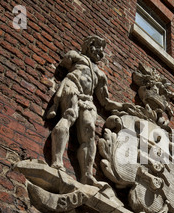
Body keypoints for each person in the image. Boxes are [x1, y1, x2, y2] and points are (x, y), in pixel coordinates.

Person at [47, 35, 127, 185]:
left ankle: (86, 175)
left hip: (88, 99)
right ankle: (57, 162)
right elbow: (65, 62)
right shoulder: (77, 57)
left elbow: (105, 101)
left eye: (102, 50)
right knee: (69, 116)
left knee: (89, 131)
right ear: (88, 46)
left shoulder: (100, 75)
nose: (100, 52)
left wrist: (123, 107)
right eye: (97, 47)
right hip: (73, 87)